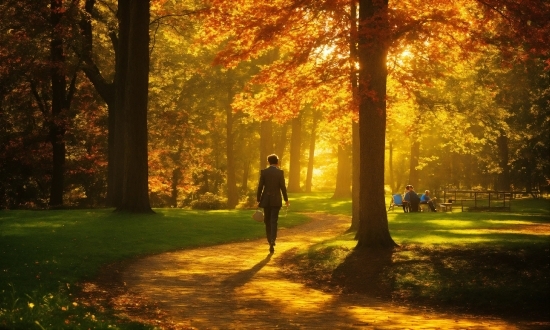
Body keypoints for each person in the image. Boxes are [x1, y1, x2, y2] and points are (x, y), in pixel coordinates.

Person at [257, 154, 289, 254]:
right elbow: (282, 187)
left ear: (268, 162)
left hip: (266, 199)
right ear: (277, 162)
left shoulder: (264, 172)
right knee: (274, 220)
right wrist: (286, 199)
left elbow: (260, 187)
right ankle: (272, 240)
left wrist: (258, 199)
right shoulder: (280, 173)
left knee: (267, 220)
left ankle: (269, 239)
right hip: (276, 200)